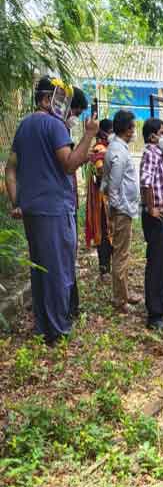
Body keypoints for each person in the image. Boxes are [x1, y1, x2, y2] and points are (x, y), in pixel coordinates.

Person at [4, 76, 98, 344]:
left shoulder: (24, 126)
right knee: (58, 269)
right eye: (59, 100)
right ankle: (58, 331)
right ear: (46, 99)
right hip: (54, 209)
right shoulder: (54, 125)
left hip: (32, 210)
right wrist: (89, 134)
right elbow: (68, 164)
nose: (63, 107)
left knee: (40, 268)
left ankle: (43, 325)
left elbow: (10, 169)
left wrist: (16, 202)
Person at [103, 110, 141, 311]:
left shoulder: (118, 148)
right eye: (133, 127)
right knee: (120, 255)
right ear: (127, 129)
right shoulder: (118, 152)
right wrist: (115, 210)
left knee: (123, 253)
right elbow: (113, 186)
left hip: (124, 209)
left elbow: (106, 182)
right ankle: (120, 300)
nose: (135, 131)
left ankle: (124, 293)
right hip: (122, 210)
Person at [139, 118, 163, 330]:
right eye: (162, 132)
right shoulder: (150, 154)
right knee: (156, 264)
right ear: (152, 136)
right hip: (156, 218)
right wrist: (151, 208)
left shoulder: (158, 155)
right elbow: (146, 182)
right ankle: (154, 314)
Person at [65, 87, 88, 318]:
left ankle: (72, 305)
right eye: (76, 111)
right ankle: (69, 306)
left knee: (69, 255)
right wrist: (88, 135)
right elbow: (68, 165)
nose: (76, 117)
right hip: (61, 207)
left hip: (69, 203)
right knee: (65, 256)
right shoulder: (55, 130)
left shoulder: (63, 132)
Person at [85, 119, 113, 279]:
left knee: (112, 234)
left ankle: (111, 267)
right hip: (101, 202)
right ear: (103, 132)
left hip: (110, 200)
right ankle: (104, 269)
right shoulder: (99, 149)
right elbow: (100, 171)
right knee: (103, 233)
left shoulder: (107, 148)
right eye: (110, 131)